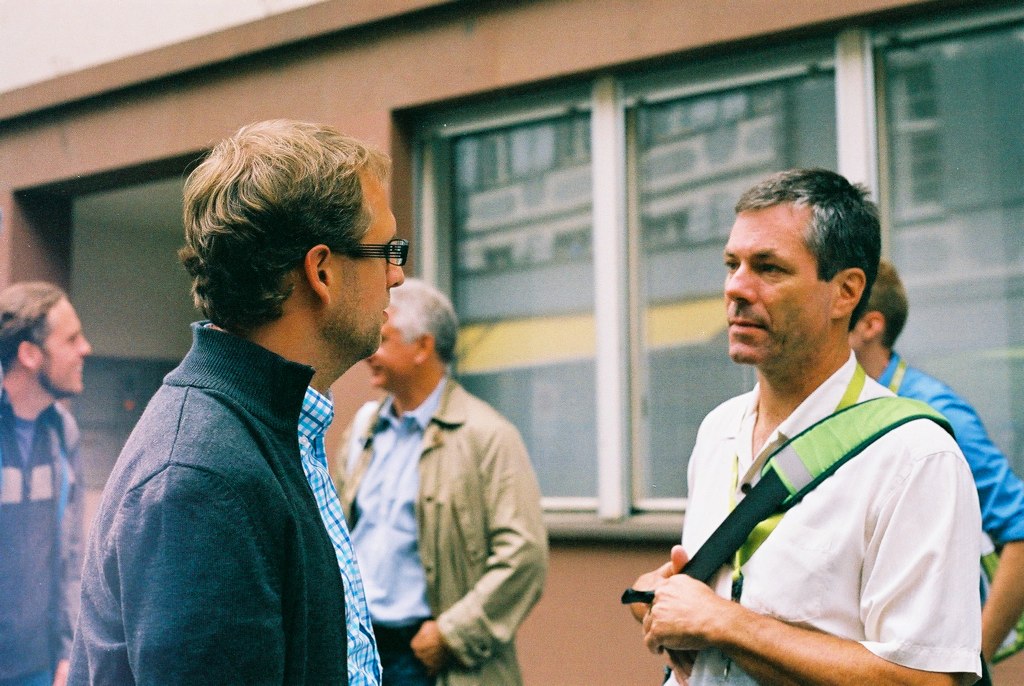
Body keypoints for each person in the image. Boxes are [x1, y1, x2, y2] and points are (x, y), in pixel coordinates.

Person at [68, 119, 406, 684]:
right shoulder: (203, 478)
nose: (398, 274)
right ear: (321, 270)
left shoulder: (266, 430)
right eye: (387, 249)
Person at [630, 169, 982, 685]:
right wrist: (667, 606)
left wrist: (725, 623)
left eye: (768, 268)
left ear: (845, 292)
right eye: (732, 264)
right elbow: (718, 613)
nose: (736, 288)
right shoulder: (718, 430)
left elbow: (926, 680)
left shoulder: (914, 457)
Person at [333, 278, 548, 686]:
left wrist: (451, 634)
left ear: (423, 347)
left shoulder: (486, 435)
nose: (368, 354)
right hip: (359, 647)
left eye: (384, 338)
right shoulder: (364, 427)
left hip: (425, 657)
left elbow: (524, 554)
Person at [850, 259, 1024, 663]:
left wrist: (970, 663)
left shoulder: (935, 409)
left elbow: (1020, 528)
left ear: (870, 326)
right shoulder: (837, 404)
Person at [0, 282, 91, 686]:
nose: (85, 348)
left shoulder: (63, 432)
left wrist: (69, 655)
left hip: (42, 668)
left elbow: (71, 557)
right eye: (71, 339)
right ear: (29, 354)